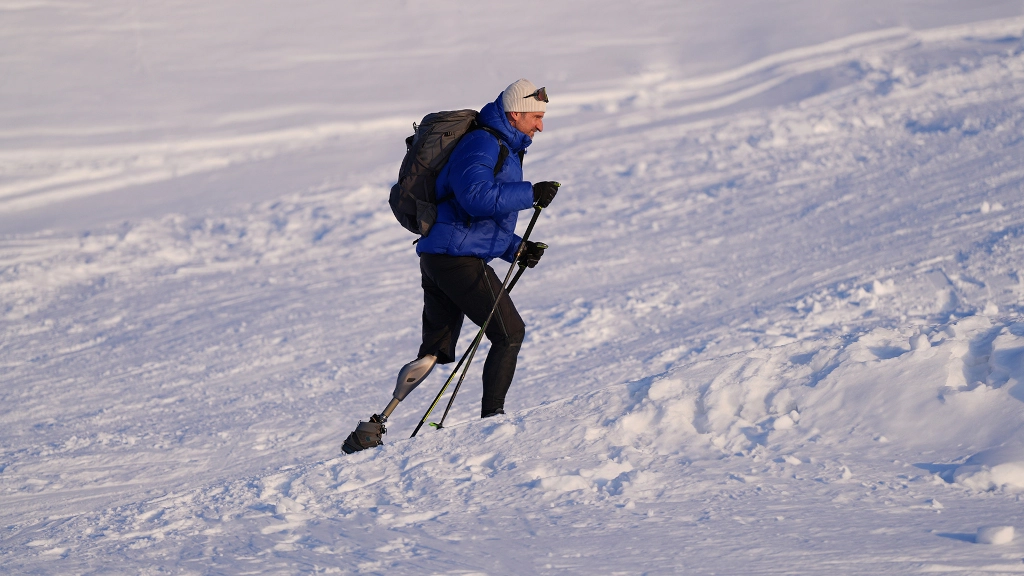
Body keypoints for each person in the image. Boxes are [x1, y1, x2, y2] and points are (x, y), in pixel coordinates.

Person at [342, 79, 559, 454]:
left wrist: (516, 249)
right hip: (456, 261)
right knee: (509, 333)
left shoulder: (500, 144)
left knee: (434, 351)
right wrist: (529, 194)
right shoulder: (483, 143)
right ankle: (494, 422)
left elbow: (469, 219)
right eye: (535, 117)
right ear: (515, 113)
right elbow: (475, 198)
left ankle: (372, 429)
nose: (540, 126)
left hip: (444, 256)